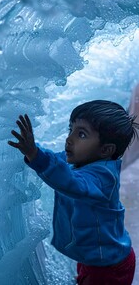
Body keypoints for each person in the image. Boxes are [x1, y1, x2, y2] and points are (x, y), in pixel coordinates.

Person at [8, 100, 137, 285]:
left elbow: (70, 182)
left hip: (107, 265)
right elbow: (56, 160)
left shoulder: (103, 177)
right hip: (94, 255)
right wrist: (36, 151)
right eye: (71, 130)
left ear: (106, 150)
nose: (70, 138)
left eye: (81, 134)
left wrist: (35, 156)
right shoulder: (82, 159)